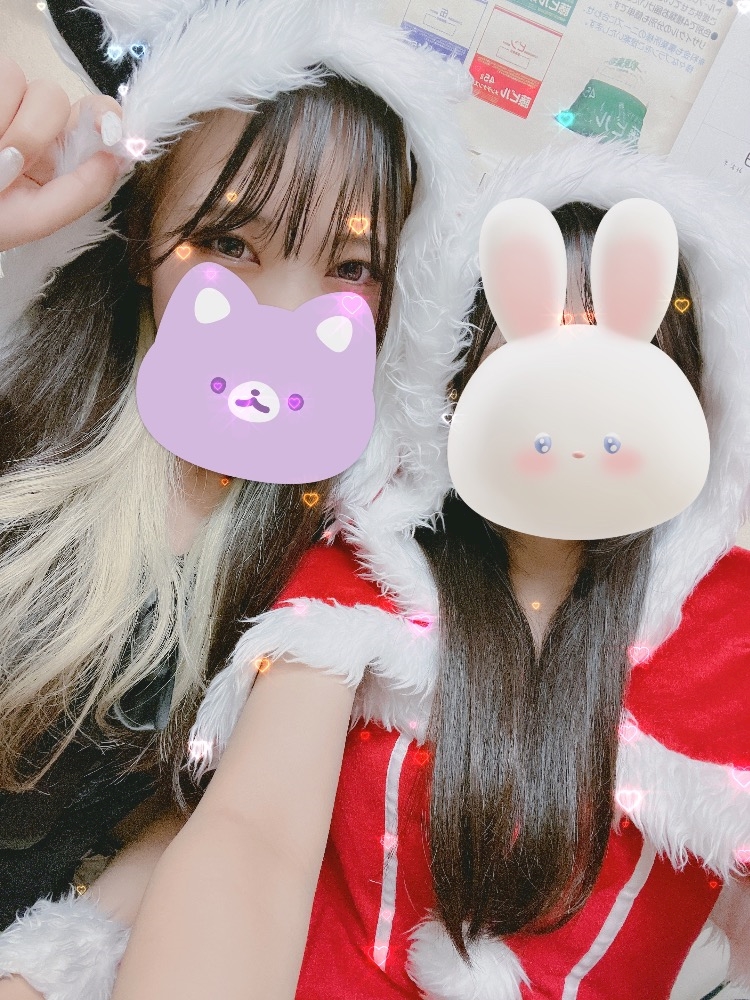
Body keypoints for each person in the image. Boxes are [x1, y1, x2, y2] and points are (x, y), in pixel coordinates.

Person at [99, 143, 750, 1000]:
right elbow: (253, 836)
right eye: (530, 345)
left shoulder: (728, 636)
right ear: (458, 374)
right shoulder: (367, 571)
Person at [0, 0, 476, 995]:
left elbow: (205, 817)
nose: (282, 313)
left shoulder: (342, 546)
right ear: (144, 233)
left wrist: (39, 973)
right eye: (229, 243)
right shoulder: (24, 388)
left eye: (351, 268)